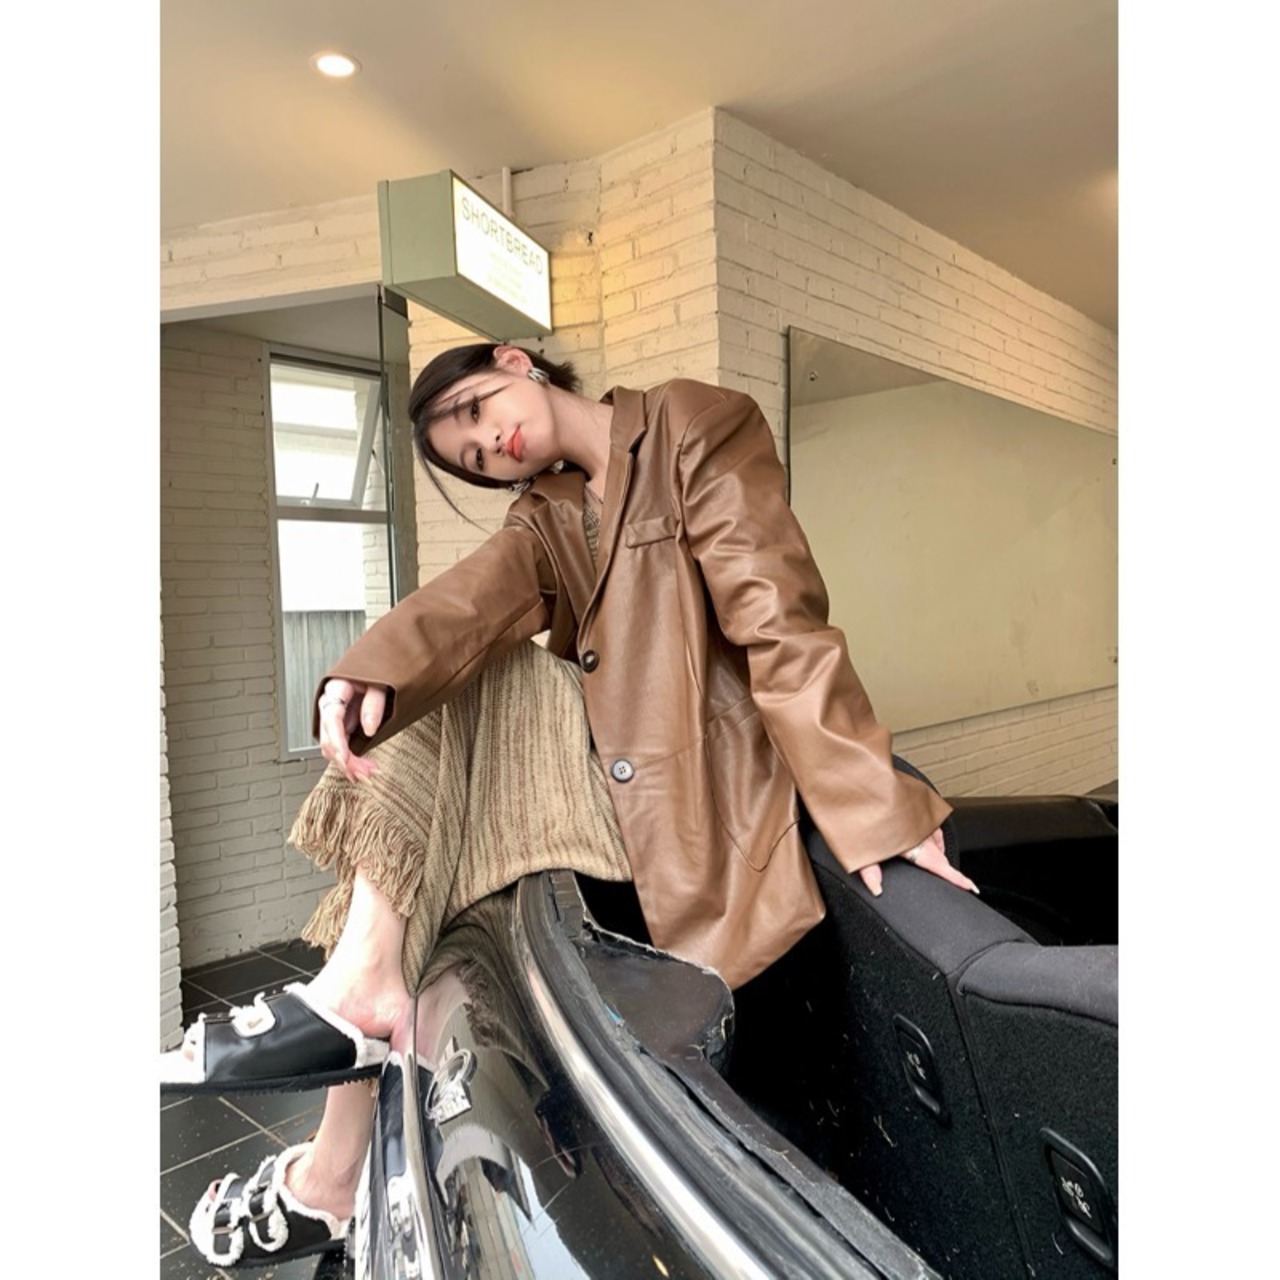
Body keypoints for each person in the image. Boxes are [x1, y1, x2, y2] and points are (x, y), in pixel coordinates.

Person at [163, 342, 976, 1268]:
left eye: (477, 412)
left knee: (475, 702)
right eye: (475, 458)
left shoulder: (692, 424)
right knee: (442, 701)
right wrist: (367, 671)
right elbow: (473, 598)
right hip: (603, 803)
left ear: (518, 363)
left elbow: (779, 623)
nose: (492, 445)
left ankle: (339, 1127)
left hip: (699, 806)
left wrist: (874, 804)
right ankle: (356, 1036)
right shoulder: (546, 512)